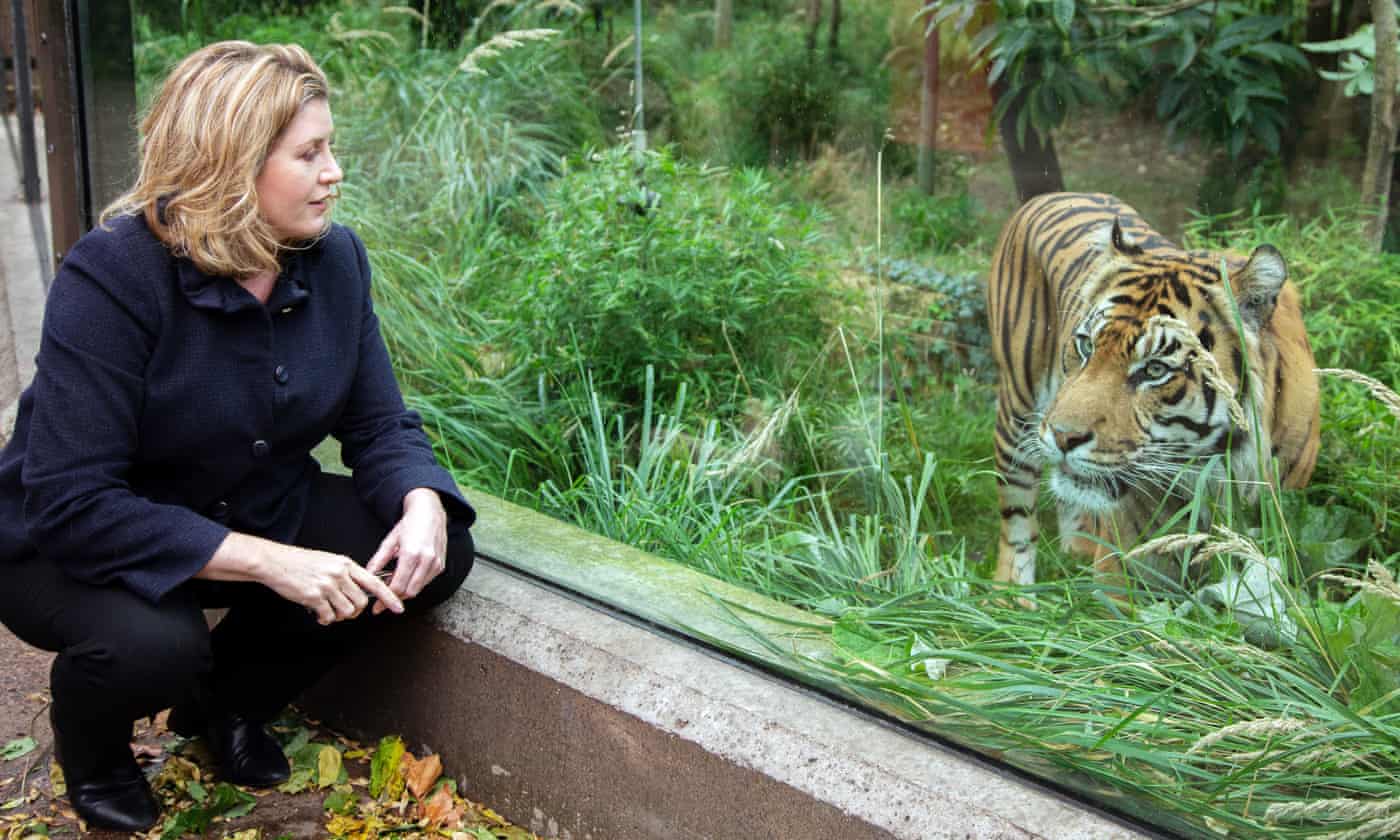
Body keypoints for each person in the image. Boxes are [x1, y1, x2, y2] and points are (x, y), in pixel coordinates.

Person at [0, 41, 475, 832]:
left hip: (246, 506)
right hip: (75, 541)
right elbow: (73, 499)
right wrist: (272, 562)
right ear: (231, 163)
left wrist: (421, 499)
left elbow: (378, 422)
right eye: (310, 153)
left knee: (436, 551)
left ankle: (226, 706)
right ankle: (92, 746)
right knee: (155, 646)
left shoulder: (336, 260)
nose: (335, 171)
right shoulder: (111, 276)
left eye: (332, 147)